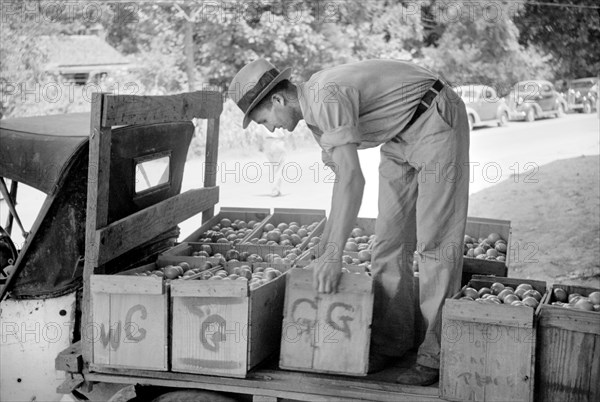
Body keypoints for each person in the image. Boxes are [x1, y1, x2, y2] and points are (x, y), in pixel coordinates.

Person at [228, 58, 469, 386]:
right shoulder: (315, 121)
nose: (270, 128)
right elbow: (341, 181)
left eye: (265, 119)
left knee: (435, 243)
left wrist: (333, 254)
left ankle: (434, 353)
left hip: (435, 115)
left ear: (277, 100)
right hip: (399, 136)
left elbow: (354, 181)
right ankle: (392, 342)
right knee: (387, 241)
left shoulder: (325, 97)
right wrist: (326, 246)